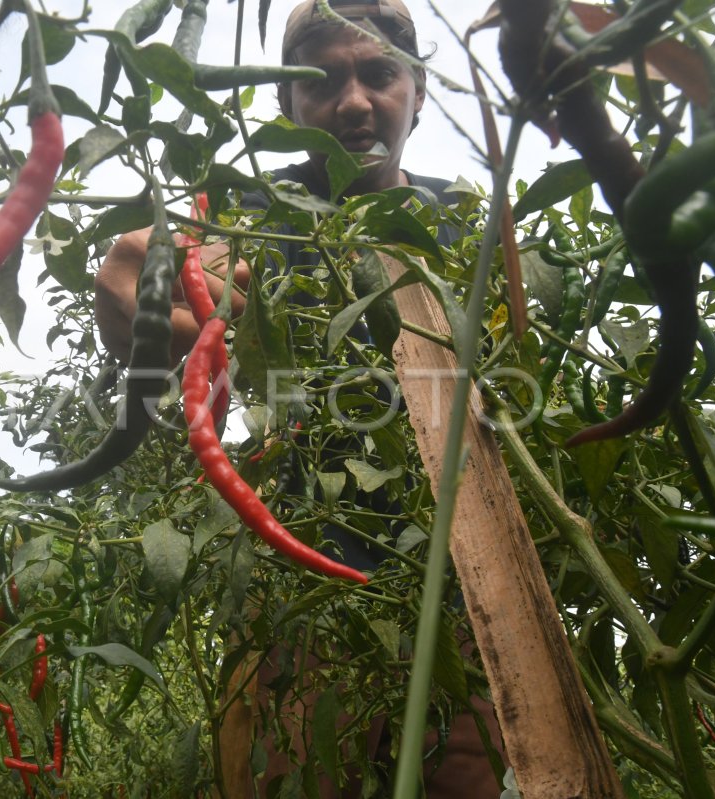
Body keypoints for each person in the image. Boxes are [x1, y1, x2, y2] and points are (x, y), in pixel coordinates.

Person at [95, 1, 507, 795]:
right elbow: (155, 319)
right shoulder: (254, 216)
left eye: (380, 73)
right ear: (286, 107)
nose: (354, 101)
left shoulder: (463, 220)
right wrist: (131, 304)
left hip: (470, 590)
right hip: (300, 594)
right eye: (321, 80)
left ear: (417, 90)